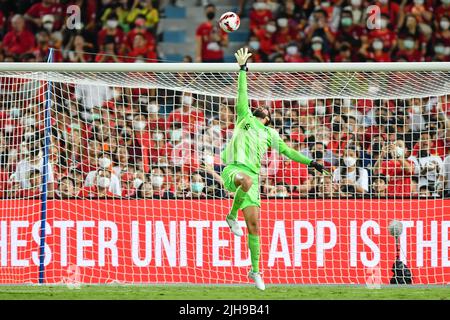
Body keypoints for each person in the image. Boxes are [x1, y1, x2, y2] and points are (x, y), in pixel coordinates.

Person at [220, 48, 326, 290]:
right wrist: (243, 69)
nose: (263, 109)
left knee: (255, 225)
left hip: (254, 178)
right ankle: (230, 216)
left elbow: (288, 152)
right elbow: (242, 93)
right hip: (234, 169)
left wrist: (310, 162)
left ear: (268, 120)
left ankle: (255, 270)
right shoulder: (244, 116)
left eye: (267, 111)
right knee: (244, 181)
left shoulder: (270, 134)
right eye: (262, 108)